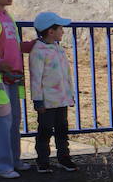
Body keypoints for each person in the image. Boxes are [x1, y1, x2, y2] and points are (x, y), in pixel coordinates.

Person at [27, 11, 78, 173]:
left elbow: (66, 75)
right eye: (60, 29)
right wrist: (38, 101)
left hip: (61, 100)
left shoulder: (58, 48)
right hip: (47, 102)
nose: (63, 31)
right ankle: (43, 161)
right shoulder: (38, 51)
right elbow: (36, 79)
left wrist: (69, 95)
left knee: (62, 130)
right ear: (51, 31)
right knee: (45, 131)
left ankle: (64, 158)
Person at [0, 0, 31, 177]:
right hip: (1, 79)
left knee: (14, 120)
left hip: (13, 77)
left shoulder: (8, 17)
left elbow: (15, 45)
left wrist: (34, 45)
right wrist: (2, 66)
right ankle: (3, 166)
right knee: (3, 122)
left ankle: (14, 160)